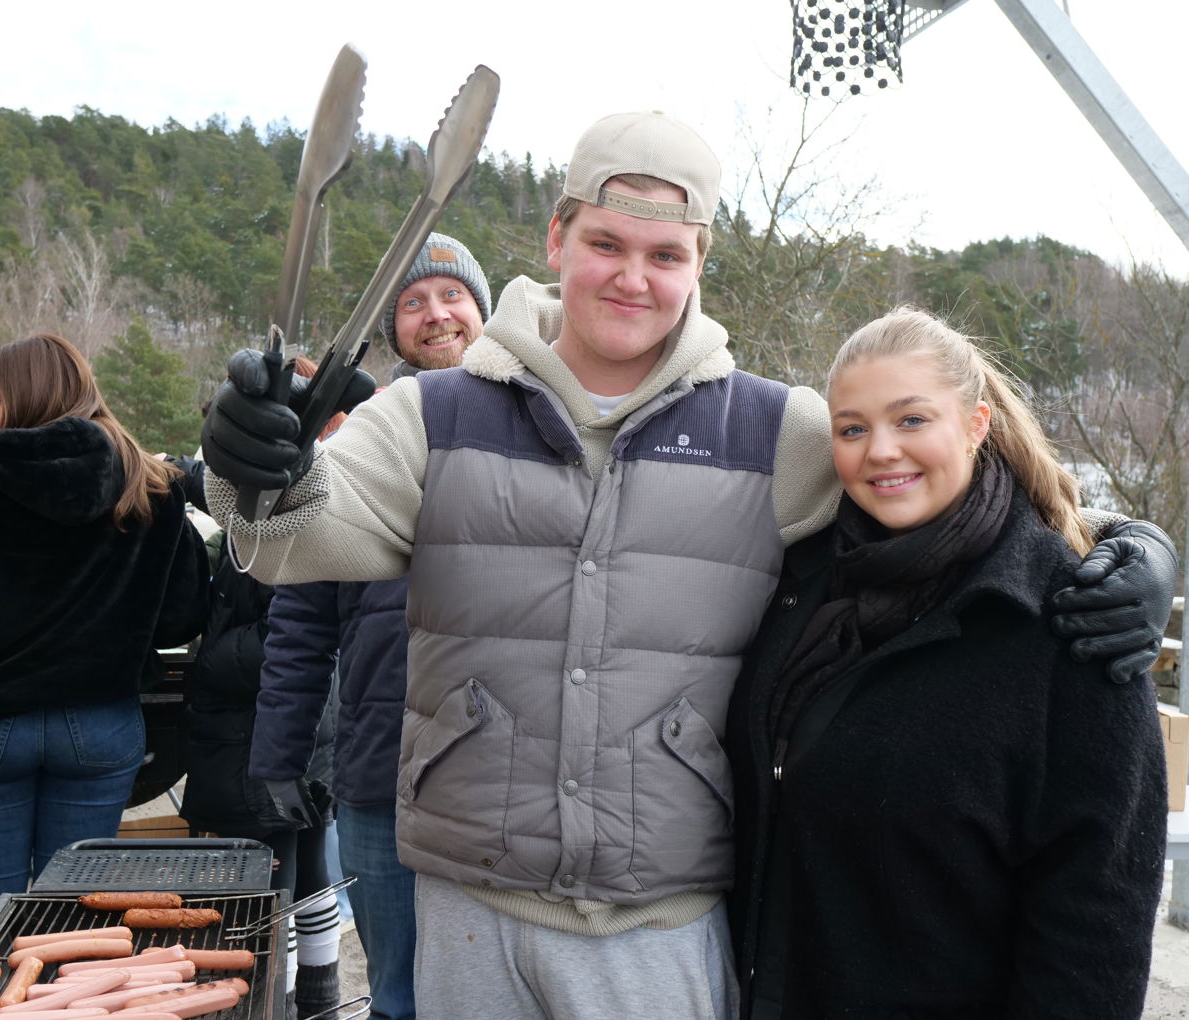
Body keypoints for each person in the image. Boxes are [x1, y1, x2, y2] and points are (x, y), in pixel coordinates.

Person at [198, 112, 1175, 1017]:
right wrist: (249, 466)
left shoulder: (774, 432)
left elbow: (936, 489)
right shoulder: (434, 414)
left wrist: (1129, 543)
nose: (633, 277)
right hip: (468, 908)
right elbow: (291, 533)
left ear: (699, 262)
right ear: (557, 239)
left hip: (661, 922)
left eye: (665, 254)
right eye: (607, 244)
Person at [728, 306, 1167, 1019]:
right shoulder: (800, 582)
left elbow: (1097, 920)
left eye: (911, 420)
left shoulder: (1070, 619)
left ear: (975, 424)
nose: (880, 451)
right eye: (852, 429)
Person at [254, 232, 491, 1020]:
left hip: (500, 780)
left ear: (485, 310)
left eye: (452, 295)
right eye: (413, 303)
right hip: (380, 767)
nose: (436, 314)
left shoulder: (534, 426)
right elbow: (300, 616)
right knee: (397, 993)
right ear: (394, 330)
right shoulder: (357, 444)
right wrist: (281, 751)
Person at [0, 333, 209, 898]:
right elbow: (181, 618)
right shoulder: (151, 487)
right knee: (74, 912)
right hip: (100, 721)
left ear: (34, 398)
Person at [175, 355, 347, 1020]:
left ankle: (278, 1004)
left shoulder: (282, 508)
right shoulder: (300, 487)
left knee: (269, 884)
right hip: (309, 730)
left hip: (264, 731)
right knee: (308, 871)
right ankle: (318, 1000)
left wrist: (209, 659)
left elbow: (290, 633)